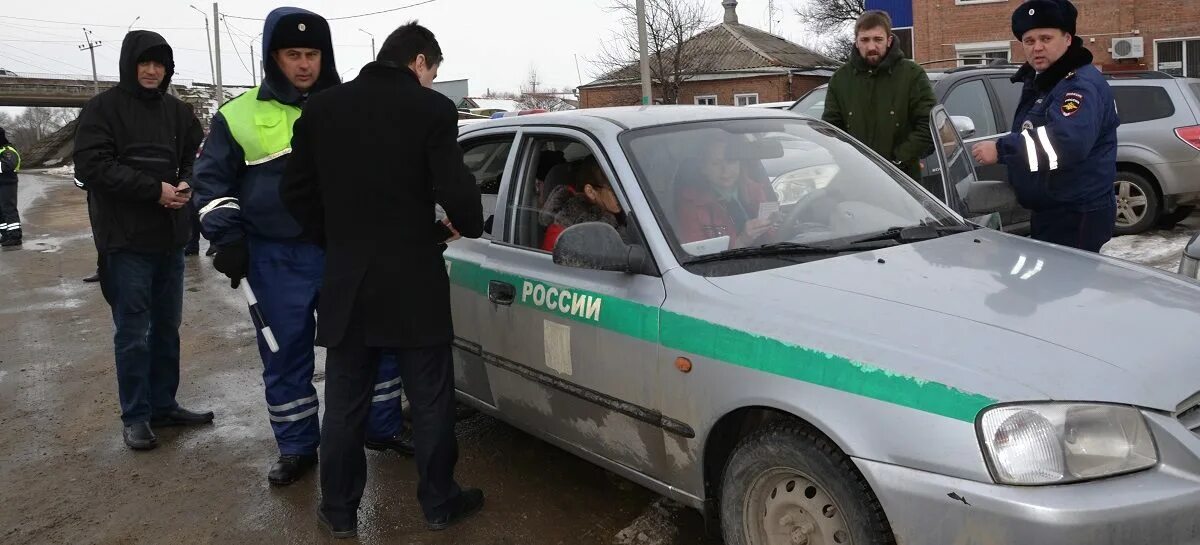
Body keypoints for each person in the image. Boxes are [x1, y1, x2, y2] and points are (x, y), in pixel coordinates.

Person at [280, 21, 485, 539]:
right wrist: (465, 223)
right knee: (433, 397)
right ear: (419, 61)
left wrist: (336, 243)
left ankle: (340, 511)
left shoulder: (322, 108)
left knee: (345, 402)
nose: (433, 84)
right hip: (414, 278)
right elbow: (458, 191)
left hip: (348, 280)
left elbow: (295, 193)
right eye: (432, 73)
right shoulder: (432, 110)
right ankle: (439, 503)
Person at [193, 7, 413, 486]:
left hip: (347, 251)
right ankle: (297, 447)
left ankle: (382, 426)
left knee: (372, 341)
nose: (304, 64)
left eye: (312, 53)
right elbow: (210, 184)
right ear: (274, 57)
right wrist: (227, 239)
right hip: (276, 257)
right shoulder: (238, 114)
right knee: (286, 352)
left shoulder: (352, 104)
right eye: (293, 54)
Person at [72, 30, 211, 450]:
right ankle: (136, 415)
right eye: (145, 62)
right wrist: (155, 190)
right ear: (130, 64)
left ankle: (164, 405)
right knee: (133, 333)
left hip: (169, 240)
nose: (153, 71)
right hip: (126, 241)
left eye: (160, 64)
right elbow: (93, 166)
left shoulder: (178, 112)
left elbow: (193, 153)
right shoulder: (102, 110)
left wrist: (186, 182)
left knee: (167, 328)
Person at [971, 0, 1118, 252]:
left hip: (1076, 214)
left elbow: (1066, 143)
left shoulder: (1077, 85)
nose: (1037, 47)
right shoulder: (1046, 80)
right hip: (1053, 209)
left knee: (1068, 287)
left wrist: (1002, 149)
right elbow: (1033, 132)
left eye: (1046, 38)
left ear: (1068, 39)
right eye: (1029, 41)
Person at [822, 10, 935, 181]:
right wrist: (851, 161)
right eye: (865, 40)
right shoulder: (840, 80)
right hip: (855, 179)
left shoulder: (912, 75)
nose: (871, 47)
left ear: (889, 41)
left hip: (904, 182)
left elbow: (928, 125)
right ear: (856, 42)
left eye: (878, 39)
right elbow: (831, 131)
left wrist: (897, 160)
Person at [674, 139, 775, 248]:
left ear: (740, 163)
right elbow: (699, 256)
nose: (725, 170)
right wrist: (743, 240)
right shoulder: (691, 203)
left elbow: (773, 236)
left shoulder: (755, 189)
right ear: (703, 168)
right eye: (716, 163)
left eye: (731, 161)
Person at [542, 156, 625, 251]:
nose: (621, 195)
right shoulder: (564, 232)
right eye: (614, 190)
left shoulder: (624, 211)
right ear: (591, 192)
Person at [0, 127, 20, 247]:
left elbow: (8, 165)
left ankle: (15, 236)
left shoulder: (8, 150)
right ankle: (5, 234)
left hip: (7, 184)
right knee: (1, 211)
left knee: (8, 209)